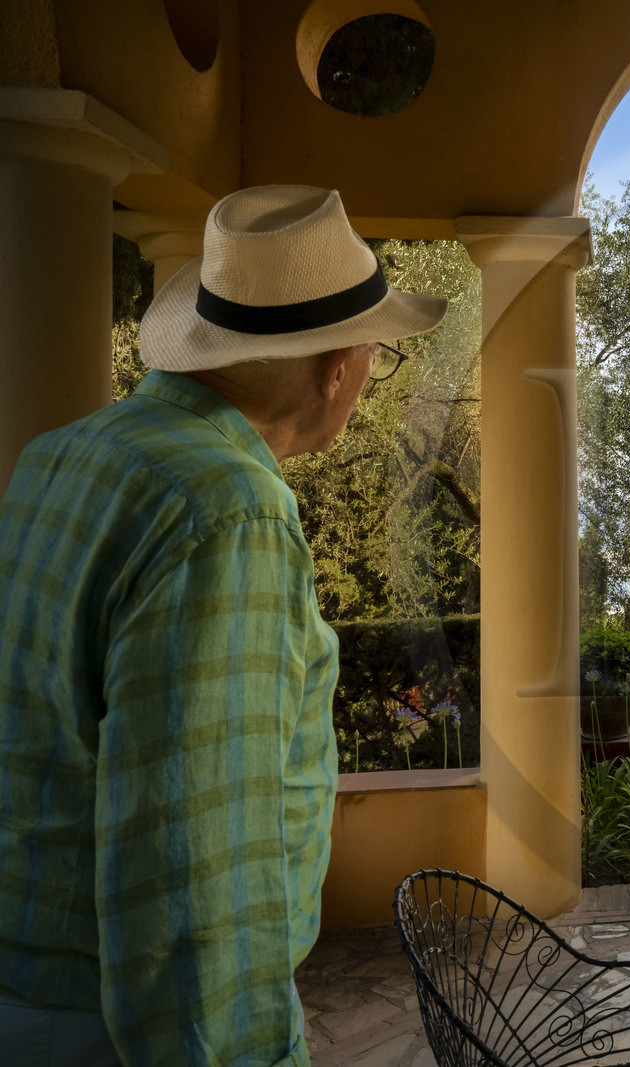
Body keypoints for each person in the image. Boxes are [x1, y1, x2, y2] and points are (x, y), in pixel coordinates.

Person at [0, 186, 447, 1065]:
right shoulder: (226, 509)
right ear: (335, 368)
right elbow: (192, 875)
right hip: (114, 1027)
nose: (367, 373)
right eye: (375, 354)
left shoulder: (62, 454)